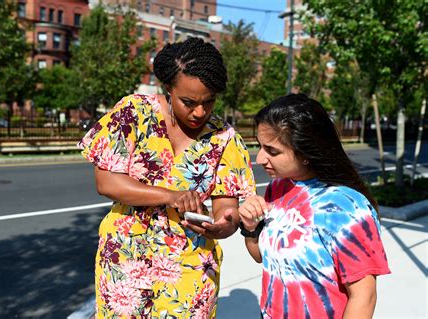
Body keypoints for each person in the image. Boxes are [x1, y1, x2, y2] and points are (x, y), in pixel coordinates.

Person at [78, 37, 256, 318]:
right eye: (189, 102)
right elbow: (107, 182)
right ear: (168, 88)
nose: (200, 112)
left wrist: (222, 227)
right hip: (125, 255)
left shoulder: (225, 138)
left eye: (209, 102)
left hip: (190, 263)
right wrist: (171, 196)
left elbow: (227, 208)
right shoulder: (133, 113)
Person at [238, 94, 391, 319]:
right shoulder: (277, 188)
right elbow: (261, 257)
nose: (260, 158)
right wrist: (251, 228)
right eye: (260, 146)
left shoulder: (346, 207)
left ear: (305, 153)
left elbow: (363, 297)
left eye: (272, 151)